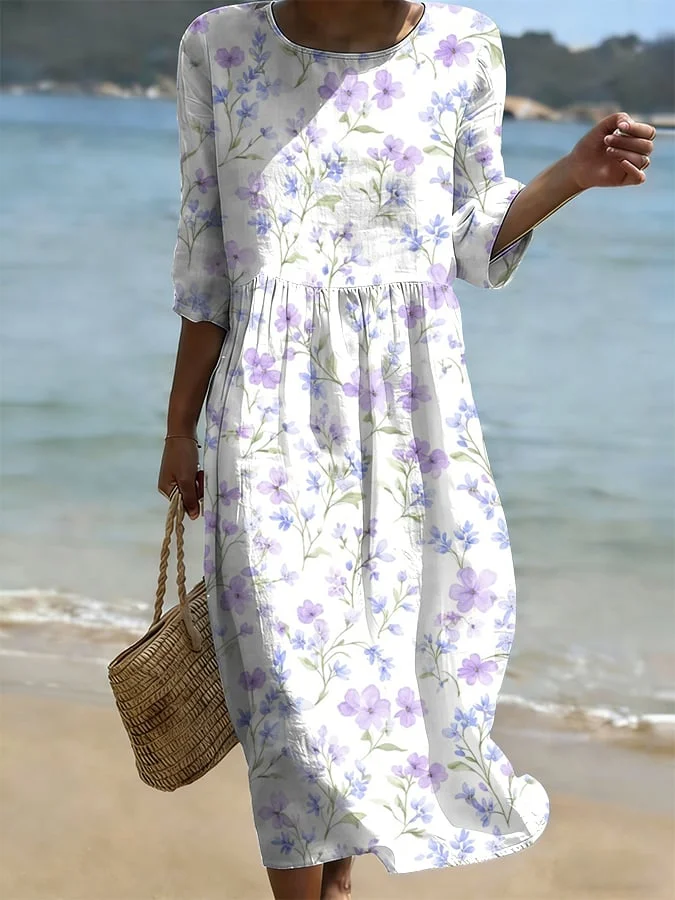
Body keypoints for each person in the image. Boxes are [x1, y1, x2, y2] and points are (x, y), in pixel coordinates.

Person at [157, 2, 655, 898]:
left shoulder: (464, 45)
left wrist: (572, 176)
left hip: (414, 412)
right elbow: (207, 257)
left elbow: (473, 238)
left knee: (380, 667)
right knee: (286, 687)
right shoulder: (219, 47)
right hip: (266, 410)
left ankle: (336, 883)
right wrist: (178, 427)